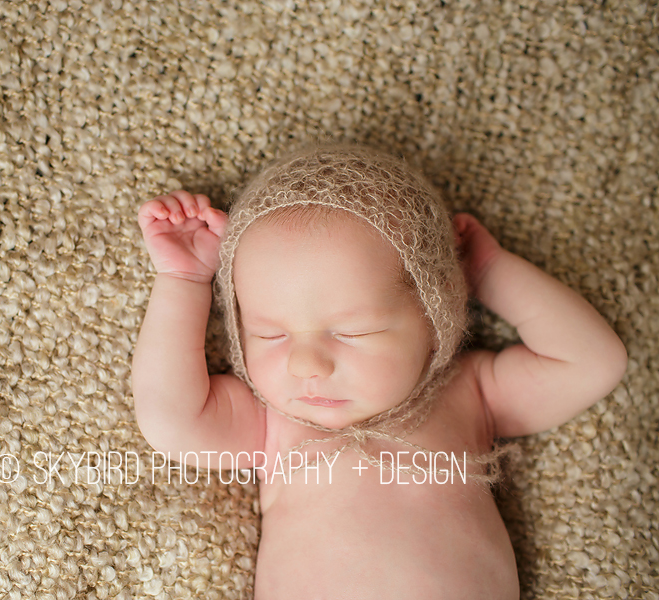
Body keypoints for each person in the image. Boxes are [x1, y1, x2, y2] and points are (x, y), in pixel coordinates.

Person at [132, 144, 627, 599]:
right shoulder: (275, 424)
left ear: (436, 315)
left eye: (352, 333)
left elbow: (591, 362)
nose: (306, 365)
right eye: (270, 335)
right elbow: (172, 418)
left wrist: (487, 272)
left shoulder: (467, 393)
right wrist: (183, 280)